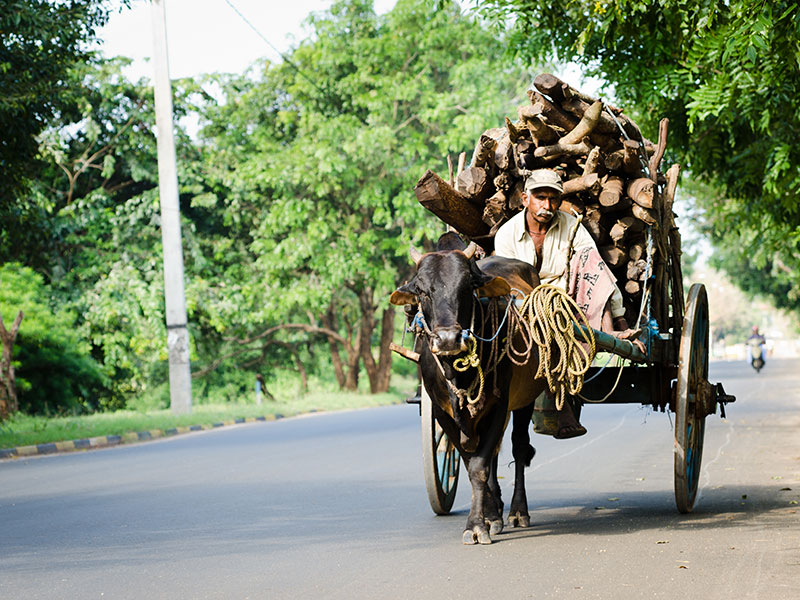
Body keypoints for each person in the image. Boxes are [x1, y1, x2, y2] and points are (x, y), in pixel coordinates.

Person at [493, 168, 639, 438]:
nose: (546, 206)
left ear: (559, 202)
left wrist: (618, 317)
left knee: (591, 260)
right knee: (540, 320)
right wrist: (536, 307)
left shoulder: (572, 228)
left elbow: (595, 270)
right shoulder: (506, 234)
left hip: (568, 301)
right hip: (522, 304)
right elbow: (509, 281)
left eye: (552, 199)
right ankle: (557, 400)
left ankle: (608, 330)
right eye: (540, 198)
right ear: (525, 199)